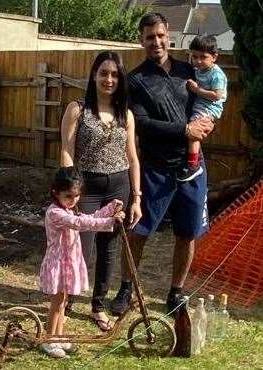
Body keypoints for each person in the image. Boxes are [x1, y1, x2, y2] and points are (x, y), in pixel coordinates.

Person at [110, 13, 214, 316]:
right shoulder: (135, 80)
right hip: (155, 169)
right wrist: (185, 131)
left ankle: (176, 292)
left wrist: (207, 126)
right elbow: (141, 124)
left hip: (192, 168)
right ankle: (126, 289)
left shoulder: (188, 70)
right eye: (149, 37)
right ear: (141, 40)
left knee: (188, 233)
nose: (156, 42)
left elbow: (209, 104)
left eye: (160, 35)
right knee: (138, 231)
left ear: (168, 35)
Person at [60, 51, 142, 331]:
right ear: (94, 75)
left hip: (118, 188)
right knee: (79, 248)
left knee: (108, 250)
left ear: (120, 79)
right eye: (104, 73)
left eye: (115, 74)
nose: (109, 79)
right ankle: (67, 297)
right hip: (87, 188)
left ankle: (98, 306)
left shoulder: (126, 115)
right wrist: (69, 192)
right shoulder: (77, 109)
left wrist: (137, 198)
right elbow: (67, 151)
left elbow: (132, 158)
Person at [39, 166, 125, 358]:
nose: (73, 200)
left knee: (64, 301)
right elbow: (82, 224)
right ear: (55, 193)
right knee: (57, 303)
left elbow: (89, 217)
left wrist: (110, 209)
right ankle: (49, 339)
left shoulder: (69, 209)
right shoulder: (56, 214)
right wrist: (109, 221)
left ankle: (59, 336)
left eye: (76, 196)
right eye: (68, 196)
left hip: (67, 264)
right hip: (58, 265)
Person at [177, 35, 228, 182]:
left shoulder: (216, 74)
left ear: (214, 57)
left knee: (193, 131)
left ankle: (193, 165)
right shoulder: (198, 70)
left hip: (208, 108)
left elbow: (217, 96)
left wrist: (198, 90)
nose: (198, 61)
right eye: (195, 56)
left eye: (203, 57)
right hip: (200, 105)